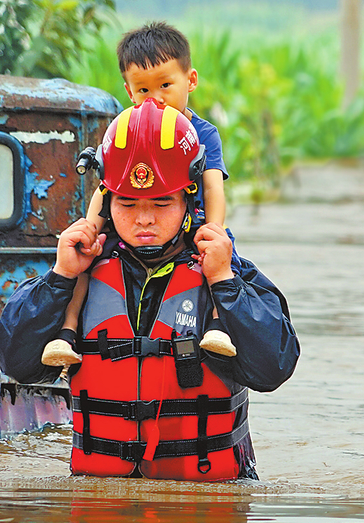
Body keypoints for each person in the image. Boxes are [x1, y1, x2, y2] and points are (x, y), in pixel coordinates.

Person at [0, 100, 299, 481]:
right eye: (127, 202)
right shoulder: (77, 274)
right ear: (106, 198)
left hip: (205, 512)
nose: (144, 219)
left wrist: (225, 283)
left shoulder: (224, 270)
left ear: (190, 198)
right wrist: (59, 277)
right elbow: (16, 362)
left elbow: (274, 368)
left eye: (161, 201)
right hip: (97, 508)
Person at [42, 21, 236, 366]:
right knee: (88, 262)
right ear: (130, 92)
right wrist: (91, 227)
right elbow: (107, 186)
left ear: (190, 80)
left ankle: (219, 326)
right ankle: (67, 332)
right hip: (128, 228)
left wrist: (215, 228)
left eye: (165, 85)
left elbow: (212, 186)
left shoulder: (204, 133)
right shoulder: (125, 129)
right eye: (144, 90)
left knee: (219, 264)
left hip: (193, 222)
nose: (156, 97)